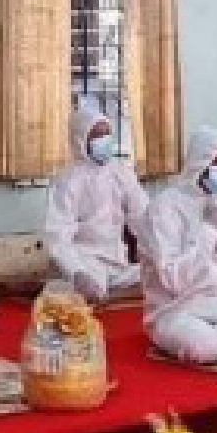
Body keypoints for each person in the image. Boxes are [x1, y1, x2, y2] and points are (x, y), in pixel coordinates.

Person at [141, 127, 217, 363]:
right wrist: (208, 233)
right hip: (176, 309)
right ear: (200, 162)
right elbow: (175, 280)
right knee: (203, 347)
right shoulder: (165, 208)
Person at [45, 107, 148, 303]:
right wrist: (76, 272)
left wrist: (160, 253)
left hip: (118, 262)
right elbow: (57, 236)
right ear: (80, 140)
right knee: (91, 292)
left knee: (160, 278)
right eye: (97, 136)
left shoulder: (121, 173)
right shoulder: (68, 181)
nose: (105, 140)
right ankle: (63, 285)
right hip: (85, 261)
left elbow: (142, 216)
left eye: (108, 134)